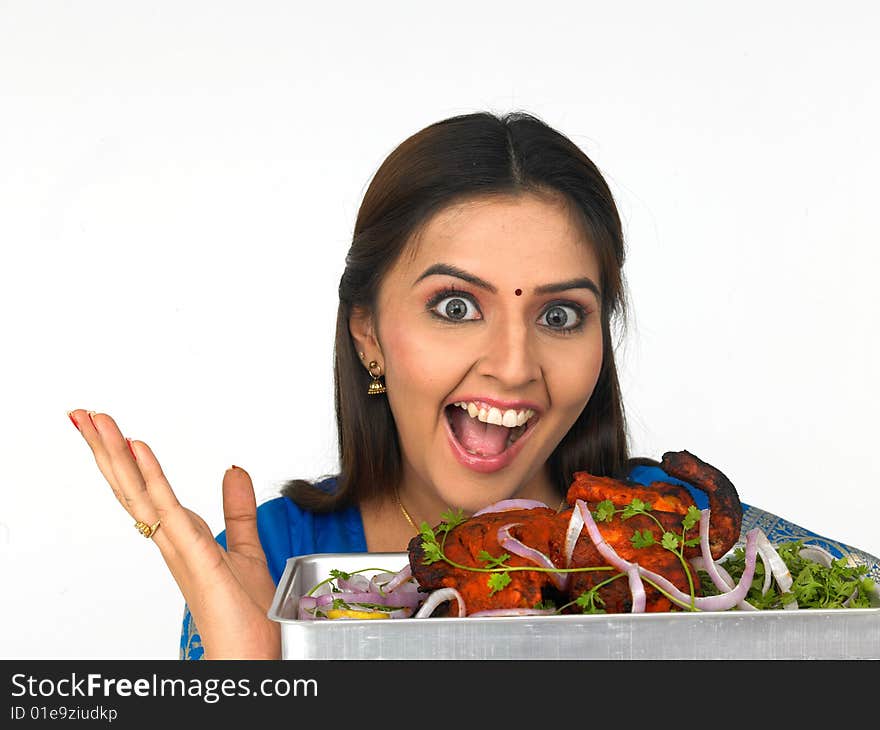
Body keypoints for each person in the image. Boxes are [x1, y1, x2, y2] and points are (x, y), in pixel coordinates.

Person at [68, 111, 879, 661]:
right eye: (456, 306)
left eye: (561, 315)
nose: (515, 365)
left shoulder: (689, 537)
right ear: (368, 332)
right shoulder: (275, 564)